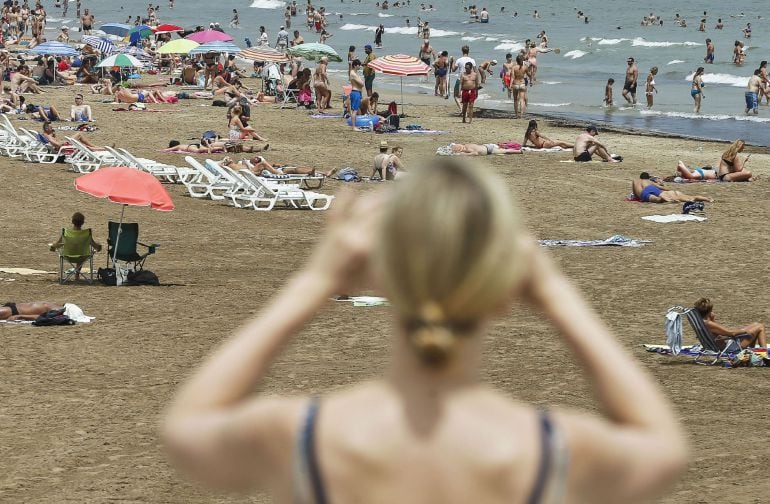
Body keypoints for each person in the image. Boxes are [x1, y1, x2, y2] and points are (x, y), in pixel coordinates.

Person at [163, 158, 688, 504]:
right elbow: (663, 447)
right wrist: (552, 292)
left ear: (376, 273)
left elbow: (186, 429)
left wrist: (317, 279)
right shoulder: (549, 448)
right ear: (507, 285)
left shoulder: (304, 436)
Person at [694, 298, 766, 350]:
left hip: (721, 343)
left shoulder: (699, 321)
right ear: (709, 311)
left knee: (755, 324)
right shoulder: (708, 323)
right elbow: (731, 333)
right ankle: (764, 352)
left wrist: (712, 319)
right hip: (729, 347)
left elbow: (717, 332)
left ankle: (759, 350)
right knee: (760, 327)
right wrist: (745, 331)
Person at [49, 212, 102, 280]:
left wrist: (52, 247)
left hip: (67, 256)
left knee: (77, 252)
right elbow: (96, 246)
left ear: (72, 221)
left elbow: (56, 245)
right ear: (82, 223)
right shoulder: (86, 234)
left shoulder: (66, 233)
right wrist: (99, 247)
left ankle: (74, 275)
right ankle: (77, 274)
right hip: (83, 257)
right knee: (81, 253)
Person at [632, 172, 713, 203]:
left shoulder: (635, 181)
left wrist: (637, 197)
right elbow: (663, 188)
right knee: (688, 197)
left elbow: (636, 194)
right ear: (647, 178)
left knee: (657, 200)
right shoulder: (650, 182)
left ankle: (664, 198)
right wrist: (670, 190)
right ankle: (706, 198)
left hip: (644, 193)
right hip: (654, 189)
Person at [451, 45, 476, 111]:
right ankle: (465, 108)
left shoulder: (459, 60)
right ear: (468, 51)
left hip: (460, 79)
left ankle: (461, 108)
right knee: (468, 95)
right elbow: (475, 72)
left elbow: (453, 70)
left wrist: (452, 62)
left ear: (462, 51)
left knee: (456, 95)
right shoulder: (472, 60)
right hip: (469, 80)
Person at [349, 59, 365, 130]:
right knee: (355, 110)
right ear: (355, 65)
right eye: (359, 65)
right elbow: (361, 84)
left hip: (356, 92)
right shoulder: (353, 73)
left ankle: (354, 125)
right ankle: (353, 127)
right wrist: (362, 81)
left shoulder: (354, 73)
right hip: (355, 92)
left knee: (356, 110)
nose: (360, 66)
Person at [443, 142, 522, 155]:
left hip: (488, 150)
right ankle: (518, 150)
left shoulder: (467, 149)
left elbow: (475, 153)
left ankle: (519, 151)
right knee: (504, 150)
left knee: (505, 151)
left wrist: (464, 154)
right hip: (486, 146)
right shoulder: (467, 145)